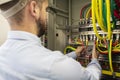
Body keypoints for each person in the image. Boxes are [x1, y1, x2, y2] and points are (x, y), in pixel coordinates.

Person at [0, 0, 101, 80]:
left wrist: (75, 53)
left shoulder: (2, 54)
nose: (46, 16)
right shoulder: (52, 65)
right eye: (45, 9)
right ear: (34, 8)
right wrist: (95, 60)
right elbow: (92, 77)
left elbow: (48, 64)